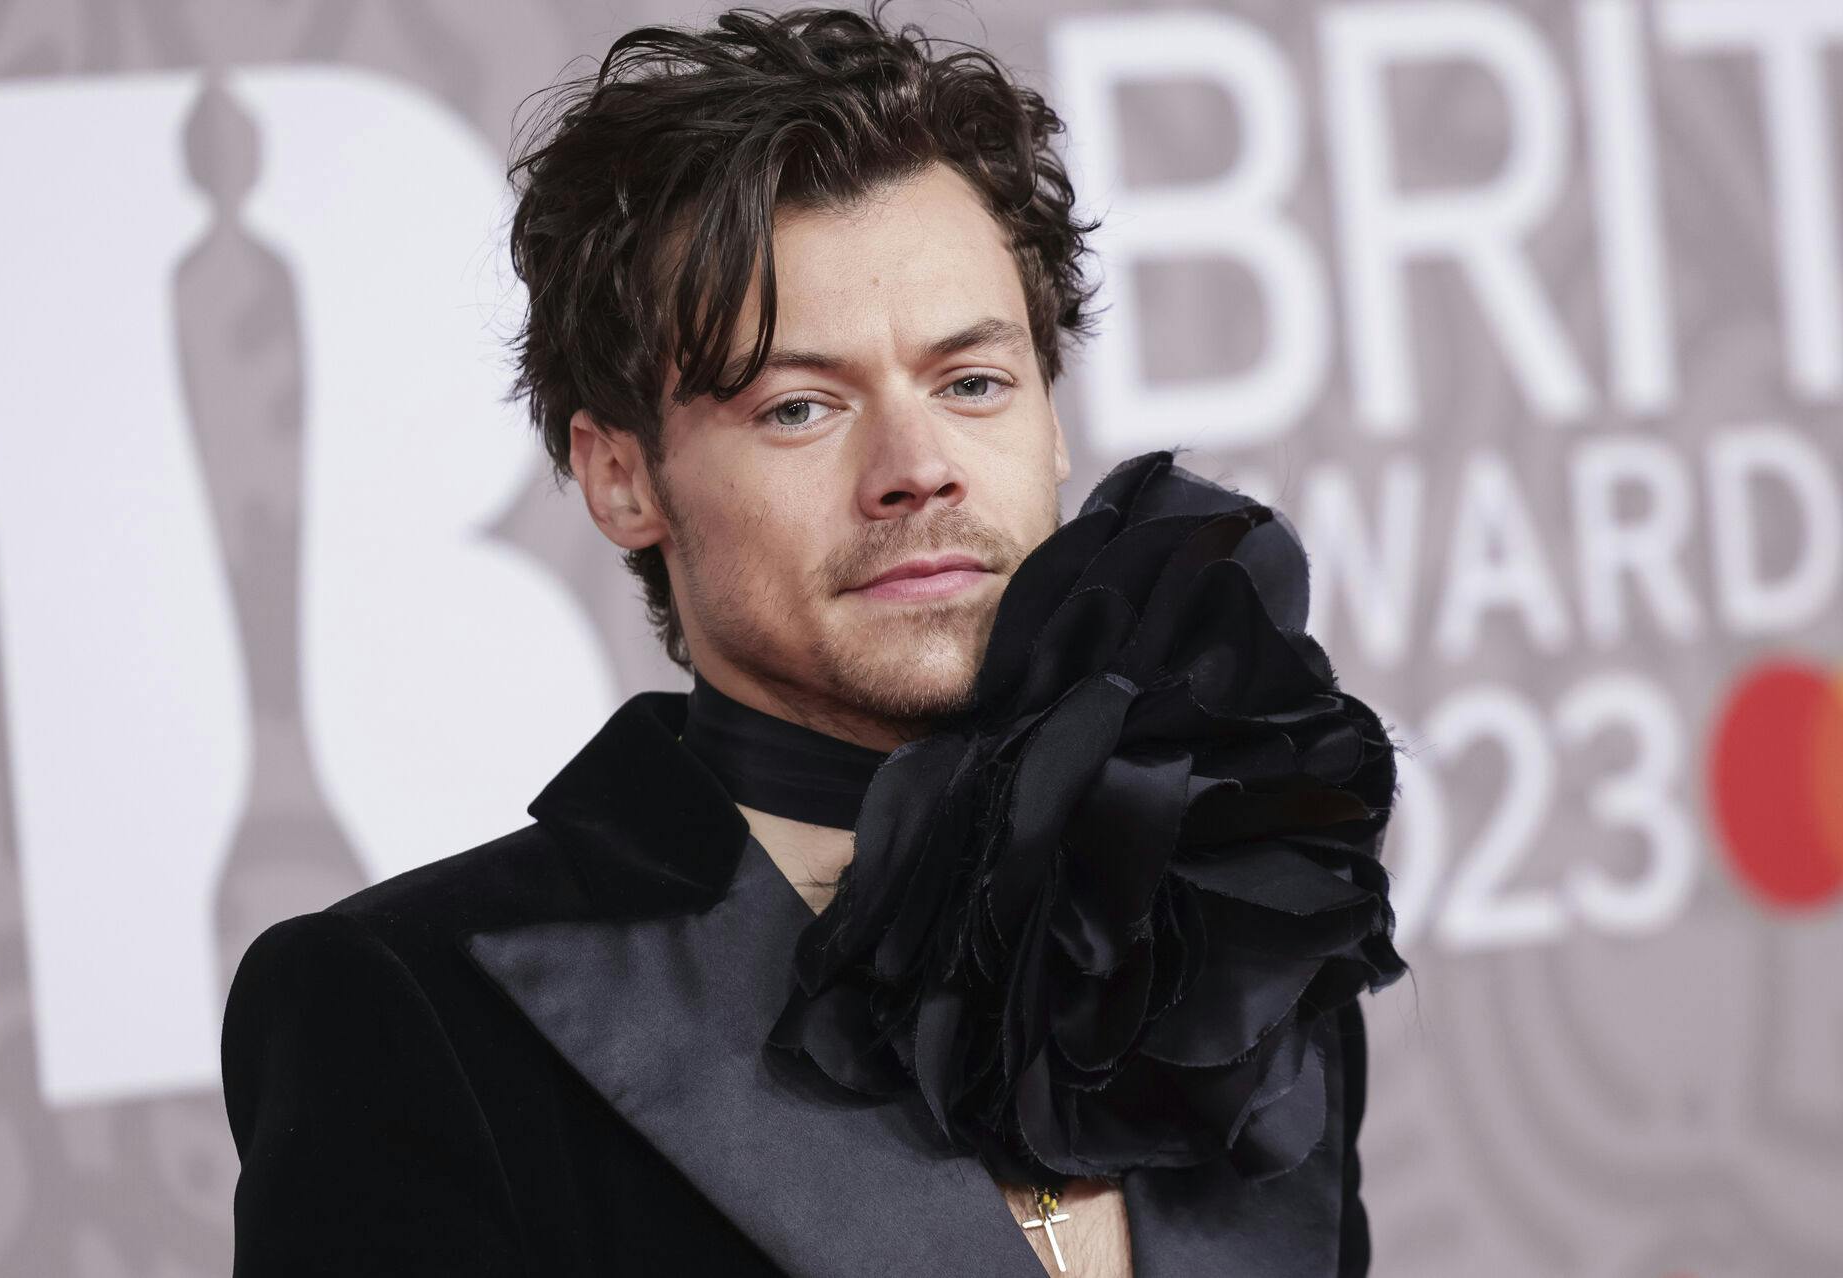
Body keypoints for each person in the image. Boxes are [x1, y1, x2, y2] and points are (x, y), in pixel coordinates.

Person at [221, 5, 1399, 1275]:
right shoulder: (410, 1017)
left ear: (1053, 422)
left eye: (972, 383)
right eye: (798, 406)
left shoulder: (1229, 900)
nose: (917, 469)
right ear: (623, 480)